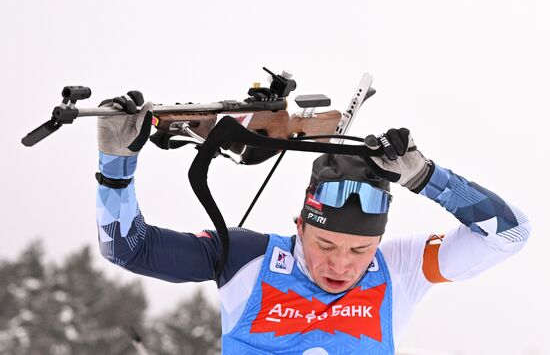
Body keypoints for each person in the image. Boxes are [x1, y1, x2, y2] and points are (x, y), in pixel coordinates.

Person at [95, 93, 531, 354]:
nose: (341, 265)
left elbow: (509, 234)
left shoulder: (400, 267)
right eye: (325, 245)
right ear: (299, 226)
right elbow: (127, 247)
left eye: (361, 251)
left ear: (379, 241)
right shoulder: (248, 257)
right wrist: (116, 164)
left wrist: (427, 178)